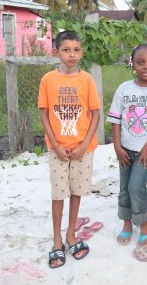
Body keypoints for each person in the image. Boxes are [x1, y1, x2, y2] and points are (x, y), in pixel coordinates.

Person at [38, 30, 101, 268]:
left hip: (83, 148)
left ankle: (71, 234)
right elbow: (43, 113)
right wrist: (55, 144)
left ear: (81, 52)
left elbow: (95, 114)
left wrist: (85, 144)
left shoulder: (86, 80)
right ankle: (56, 240)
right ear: (56, 52)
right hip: (58, 149)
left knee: (76, 191)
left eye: (76, 50)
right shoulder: (48, 80)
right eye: (66, 50)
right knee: (58, 194)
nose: (71, 54)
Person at [107, 44, 147, 247]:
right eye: (141, 62)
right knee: (124, 188)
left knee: (137, 186)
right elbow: (116, 120)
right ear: (132, 64)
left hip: (146, 151)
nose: (146, 67)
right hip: (124, 149)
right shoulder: (124, 88)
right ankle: (127, 224)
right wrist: (117, 147)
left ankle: (144, 224)